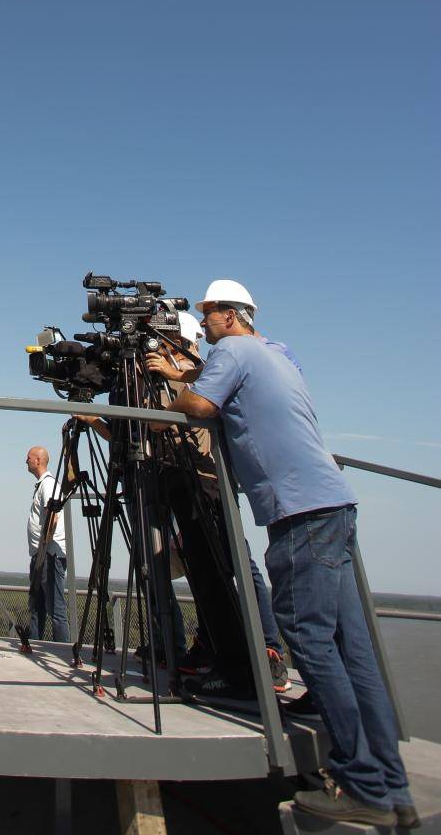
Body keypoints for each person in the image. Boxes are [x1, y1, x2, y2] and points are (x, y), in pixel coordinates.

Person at [163, 280, 414, 830]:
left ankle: (361, 784)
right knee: (354, 649)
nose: (202, 326)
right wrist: (181, 371)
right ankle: (393, 786)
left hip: (297, 513)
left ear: (231, 317)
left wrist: (179, 392)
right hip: (334, 504)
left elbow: (202, 403)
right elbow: (233, 387)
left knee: (307, 637)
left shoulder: (229, 351)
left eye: (208, 316)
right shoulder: (277, 352)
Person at [26, 445, 69, 642]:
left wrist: (44, 544)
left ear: (38, 461)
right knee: (37, 605)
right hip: (41, 554)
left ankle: (62, 650)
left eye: (28, 458)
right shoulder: (43, 485)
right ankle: (35, 644)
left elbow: (53, 516)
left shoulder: (48, 485)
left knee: (55, 608)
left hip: (49, 554)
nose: (26, 461)